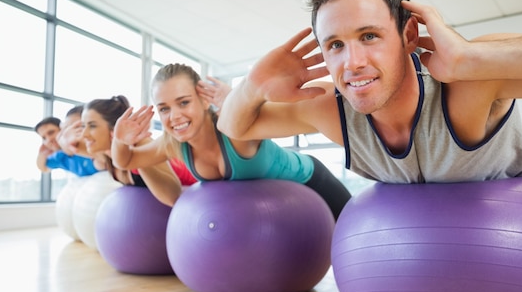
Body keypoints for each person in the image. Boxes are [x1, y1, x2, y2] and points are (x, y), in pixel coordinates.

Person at [217, 0, 522, 189]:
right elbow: (236, 128)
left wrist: (470, 57)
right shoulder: (331, 110)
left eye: (369, 36)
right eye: (335, 45)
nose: (352, 63)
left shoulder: (467, 80)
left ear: (408, 35)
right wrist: (252, 86)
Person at [111, 63, 352, 220]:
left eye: (184, 102)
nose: (174, 117)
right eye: (164, 109)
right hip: (274, 216)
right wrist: (121, 140)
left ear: (204, 100)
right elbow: (127, 160)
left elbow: (285, 109)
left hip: (312, 184)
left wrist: (238, 103)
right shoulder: (172, 143)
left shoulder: (232, 127)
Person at [80, 95, 192, 207]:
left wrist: (135, 156)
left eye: (92, 126)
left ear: (114, 128)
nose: (84, 134)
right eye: (83, 126)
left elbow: (172, 197)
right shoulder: (107, 156)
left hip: (198, 189)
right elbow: (78, 149)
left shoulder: (140, 145)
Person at [34, 107, 100, 177]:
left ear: (63, 129)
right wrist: (42, 153)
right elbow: (43, 168)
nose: (48, 139)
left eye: (51, 132)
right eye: (44, 138)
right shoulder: (61, 156)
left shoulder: (89, 145)